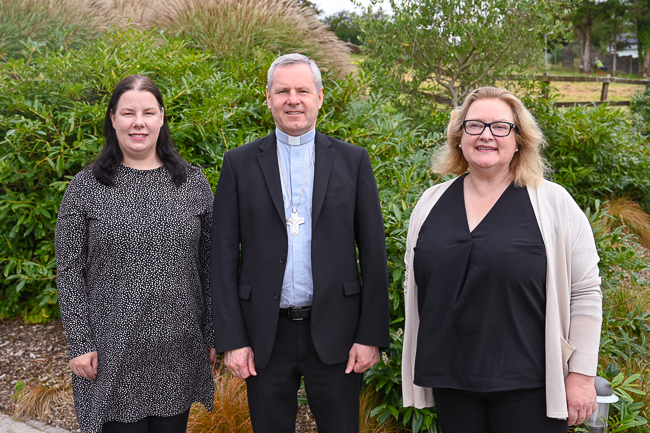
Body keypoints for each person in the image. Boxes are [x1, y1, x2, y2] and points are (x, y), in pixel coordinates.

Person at [401, 87, 603, 432]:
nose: (486, 136)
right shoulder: (430, 202)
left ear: (519, 139)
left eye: (500, 127)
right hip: (452, 379)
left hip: (529, 385)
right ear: (459, 137)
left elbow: (584, 292)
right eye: (474, 125)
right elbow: (415, 282)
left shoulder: (553, 203)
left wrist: (582, 375)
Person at [210, 53, 390, 433]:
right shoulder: (239, 164)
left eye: (302, 90)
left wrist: (370, 335)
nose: (293, 99)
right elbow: (223, 257)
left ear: (320, 97)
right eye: (283, 91)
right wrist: (232, 339)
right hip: (264, 334)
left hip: (338, 331)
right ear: (269, 97)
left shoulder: (352, 161)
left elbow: (374, 252)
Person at [55, 75, 216, 433]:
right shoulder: (86, 187)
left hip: (177, 348)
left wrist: (212, 334)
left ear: (162, 117)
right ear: (113, 119)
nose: (138, 122)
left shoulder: (192, 183)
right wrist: (79, 342)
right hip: (112, 351)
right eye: (128, 113)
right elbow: (68, 272)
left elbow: (210, 265)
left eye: (148, 112)